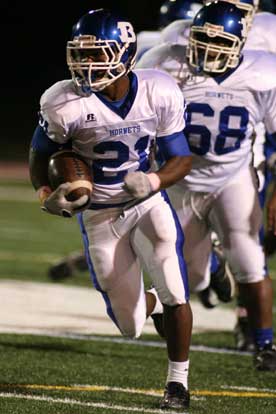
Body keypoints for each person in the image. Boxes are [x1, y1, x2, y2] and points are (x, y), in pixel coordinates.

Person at [28, 8, 194, 410]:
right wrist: (47, 193)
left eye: (98, 54)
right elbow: (40, 155)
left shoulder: (159, 89)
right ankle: (149, 304)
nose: (87, 64)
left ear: (126, 53)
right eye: (81, 55)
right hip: (99, 212)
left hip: (146, 201)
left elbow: (181, 158)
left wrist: (154, 181)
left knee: (176, 290)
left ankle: (178, 383)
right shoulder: (62, 100)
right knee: (131, 326)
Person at [137, 0, 276, 371]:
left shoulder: (263, 72)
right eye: (203, 41)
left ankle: (265, 345)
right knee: (189, 276)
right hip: (180, 179)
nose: (210, 52)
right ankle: (210, 265)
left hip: (232, 176)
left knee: (249, 259)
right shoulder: (164, 59)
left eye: (221, 45)